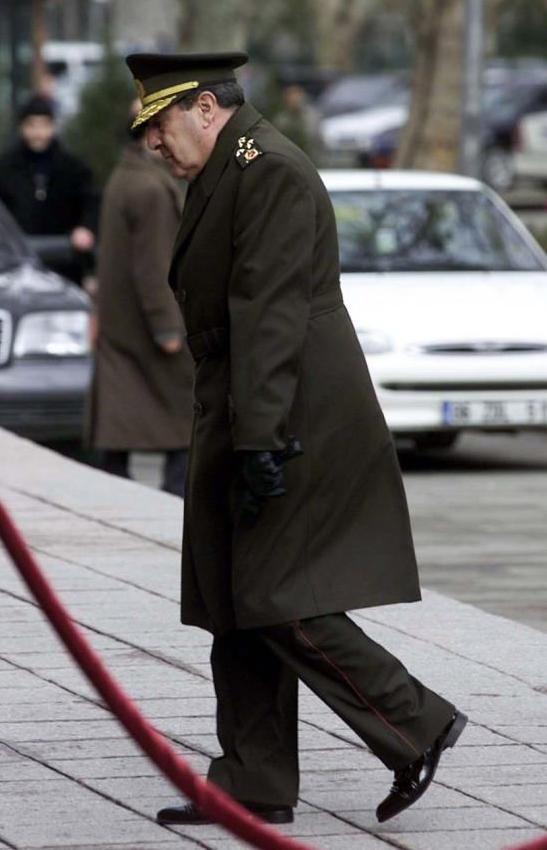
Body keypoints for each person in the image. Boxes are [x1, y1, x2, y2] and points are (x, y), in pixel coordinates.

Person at [124, 51, 467, 827]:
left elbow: (269, 312)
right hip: (243, 405)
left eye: (160, 122)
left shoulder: (268, 168)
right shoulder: (225, 170)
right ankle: (252, 778)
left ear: (206, 108)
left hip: (289, 415)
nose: (151, 141)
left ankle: (414, 724)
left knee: (278, 598)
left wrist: (262, 440)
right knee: (233, 600)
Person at [85, 102, 194, 496]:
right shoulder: (150, 188)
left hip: (124, 326)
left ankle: (122, 496)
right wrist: (167, 327)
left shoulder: (125, 177)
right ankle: (173, 501)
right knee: (181, 424)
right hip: (148, 328)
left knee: (121, 426)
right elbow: (154, 266)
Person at [0, 95, 98, 284]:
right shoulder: (3, 169)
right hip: (18, 261)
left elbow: (91, 201)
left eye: (44, 125)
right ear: (22, 127)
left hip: (66, 261)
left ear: (53, 127)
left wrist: (86, 228)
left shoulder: (73, 168)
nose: (38, 132)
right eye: (32, 125)